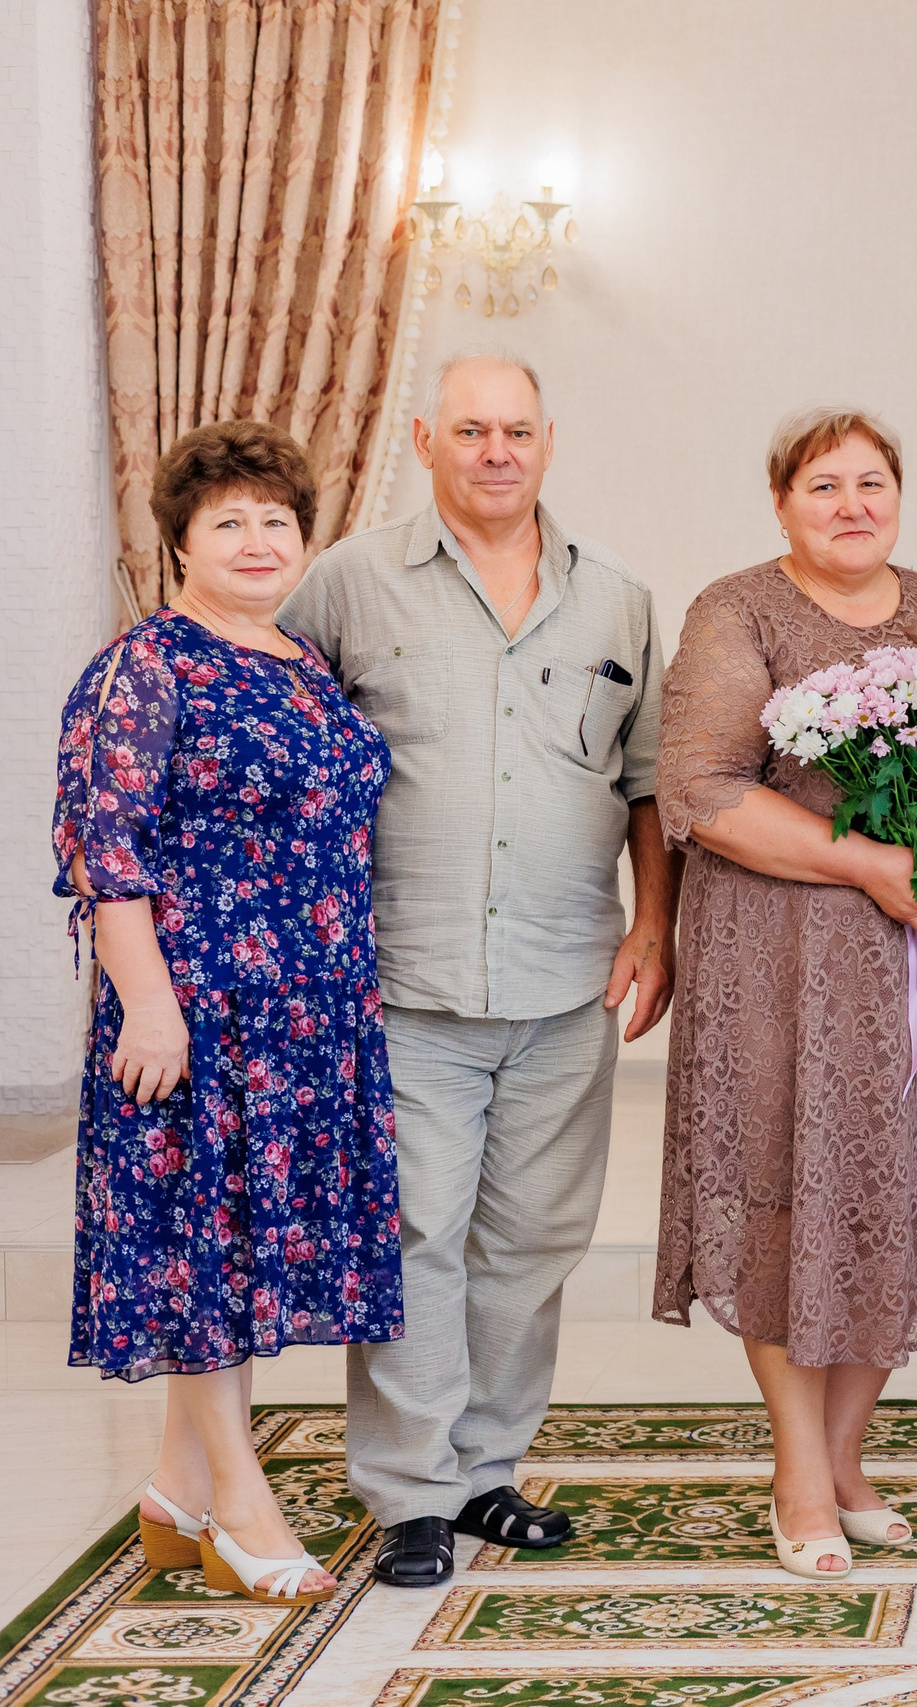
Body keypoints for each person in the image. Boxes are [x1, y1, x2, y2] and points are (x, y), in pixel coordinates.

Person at [282, 353, 678, 1588]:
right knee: (414, 1235)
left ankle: (487, 1473)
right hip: (404, 979)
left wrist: (652, 925)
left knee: (532, 1240)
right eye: (471, 430)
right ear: (425, 439)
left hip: (566, 980)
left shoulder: (617, 598)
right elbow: (280, 750)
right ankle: (408, 1492)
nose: (496, 450)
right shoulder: (346, 582)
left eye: (516, 430)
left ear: (548, 442)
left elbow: (647, 784)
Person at [652, 409, 917, 1578]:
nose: (852, 505)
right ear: (782, 503)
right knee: (789, 1195)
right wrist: (866, 861)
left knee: (900, 1194)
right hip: (781, 963)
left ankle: (845, 1452)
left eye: (873, 483)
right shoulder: (738, 610)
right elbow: (700, 787)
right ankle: (798, 1472)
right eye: (825, 486)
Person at [53, 421, 399, 1603]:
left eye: (277, 521)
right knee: (206, 1263)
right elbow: (108, 855)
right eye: (228, 522)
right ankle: (242, 1505)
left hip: (310, 1015)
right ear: (181, 544)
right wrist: (148, 1008)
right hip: (198, 1015)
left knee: (243, 1255)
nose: (257, 541)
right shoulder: (144, 667)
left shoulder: (302, 661)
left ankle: (174, 1490)